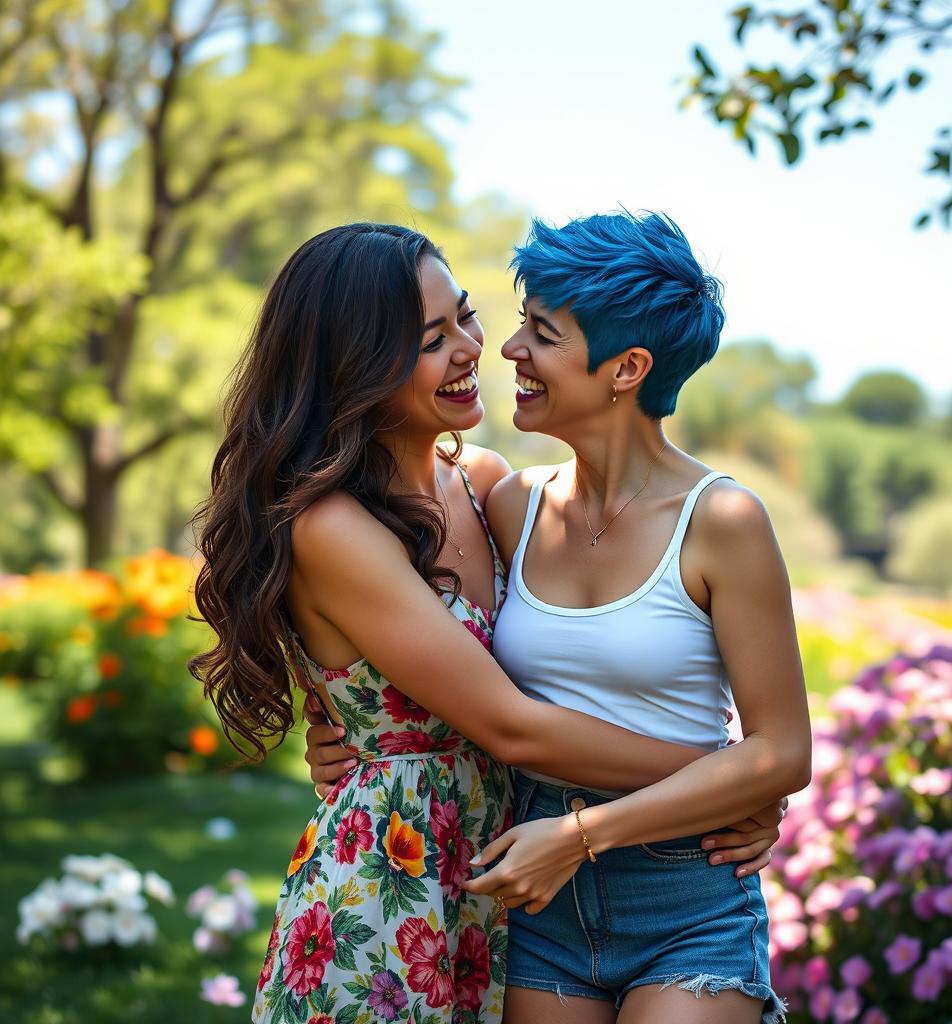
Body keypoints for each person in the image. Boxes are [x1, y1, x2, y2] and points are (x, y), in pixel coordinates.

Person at [189, 222, 785, 1024]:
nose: (481, 346)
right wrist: (717, 780)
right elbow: (507, 723)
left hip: (513, 875)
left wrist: (737, 780)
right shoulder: (336, 527)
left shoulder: (484, 486)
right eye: (434, 338)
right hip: (397, 891)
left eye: (466, 316)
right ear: (357, 365)